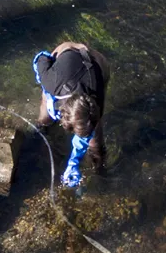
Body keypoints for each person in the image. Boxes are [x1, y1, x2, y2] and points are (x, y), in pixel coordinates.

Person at [32, 41, 110, 187]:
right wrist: (43, 74)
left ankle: (100, 171)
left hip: (96, 63)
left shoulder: (96, 99)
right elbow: (41, 58)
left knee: (96, 142)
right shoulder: (52, 81)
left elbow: (92, 126)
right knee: (45, 115)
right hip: (68, 51)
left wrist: (75, 161)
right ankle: (41, 132)